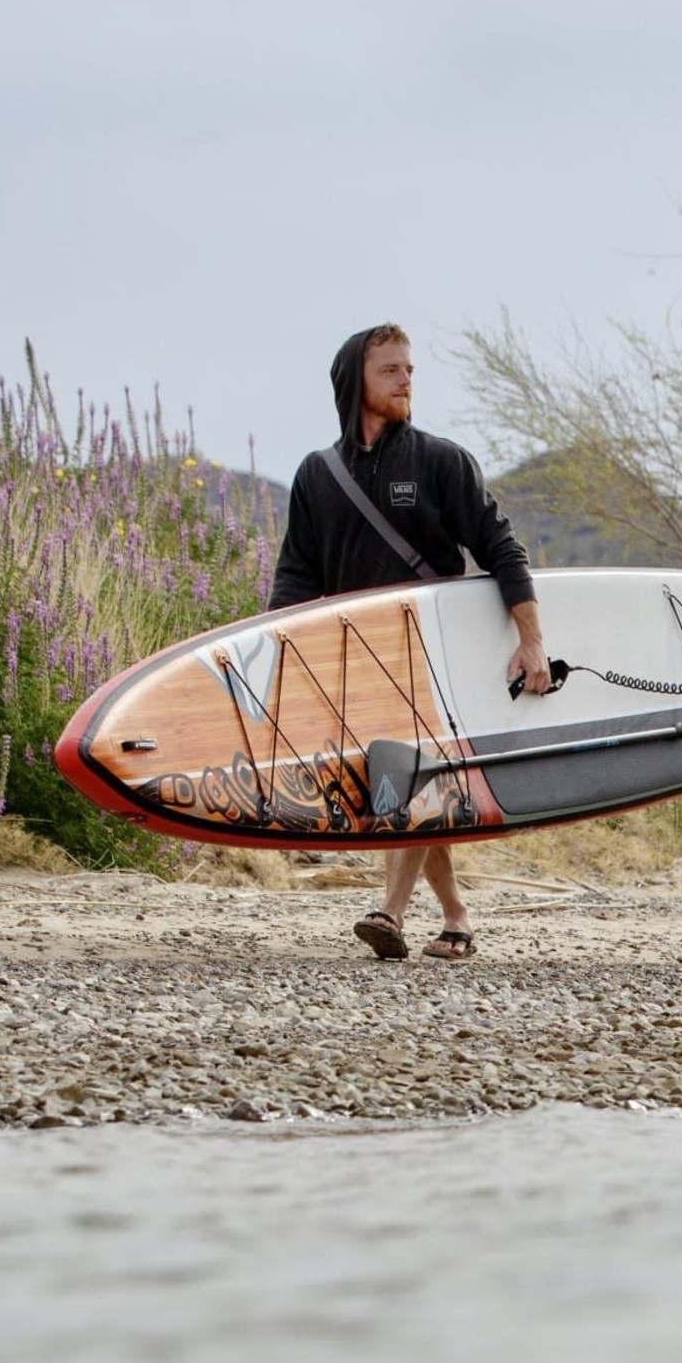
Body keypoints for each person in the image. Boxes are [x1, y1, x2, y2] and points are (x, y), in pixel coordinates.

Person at [270, 323, 551, 961]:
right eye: (390, 370)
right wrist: (277, 657)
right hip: (359, 658)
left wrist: (531, 641)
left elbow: (502, 549)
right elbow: (296, 575)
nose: (405, 381)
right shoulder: (318, 476)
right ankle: (455, 918)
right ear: (355, 383)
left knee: (409, 779)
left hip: (432, 651)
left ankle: (388, 913)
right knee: (409, 788)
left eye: (409, 370)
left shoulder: (439, 461)